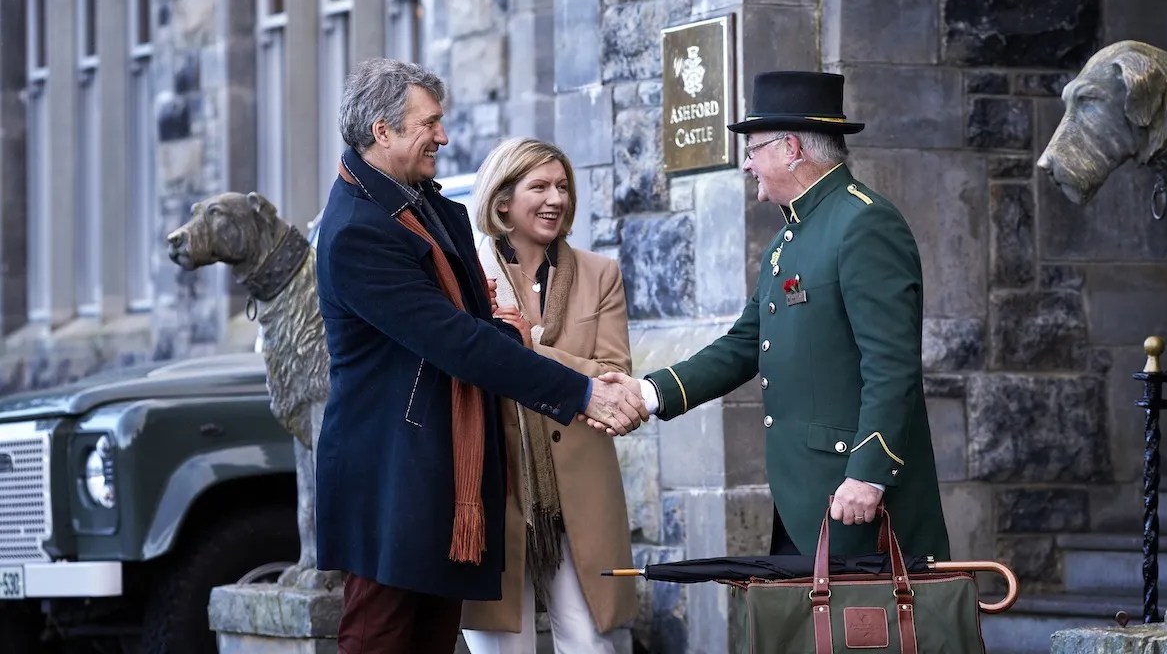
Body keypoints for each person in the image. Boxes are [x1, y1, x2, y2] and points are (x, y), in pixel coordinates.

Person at [314, 59, 647, 654]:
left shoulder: (423, 207)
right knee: (381, 640)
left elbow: (470, 327)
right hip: (391, 479)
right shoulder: (359, 231)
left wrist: (498, 328)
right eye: (429, 123)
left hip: (440, 474)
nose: (442, 137)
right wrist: (584, 392)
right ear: (382, 131)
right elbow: (456, 341)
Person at [600, 70, 950, 560]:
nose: (747, 166)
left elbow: (891, 365)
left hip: (854, 499)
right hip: (806, 498)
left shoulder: (864, 223)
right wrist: (647, 392)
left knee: (870, 636)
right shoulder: (789, 239)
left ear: (790, 148)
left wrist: (868, 472)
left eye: (752, 150)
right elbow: (745, 344)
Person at [460, 138, 638, 654]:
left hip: (579, 494)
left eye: (562, 186)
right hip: (494, 488)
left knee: (592, 644)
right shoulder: (466, 277)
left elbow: (613, 378)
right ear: (501, 202)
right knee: (499, 647)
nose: (555, 198)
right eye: (538, 186)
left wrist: (525, 345)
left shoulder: (600, 274)